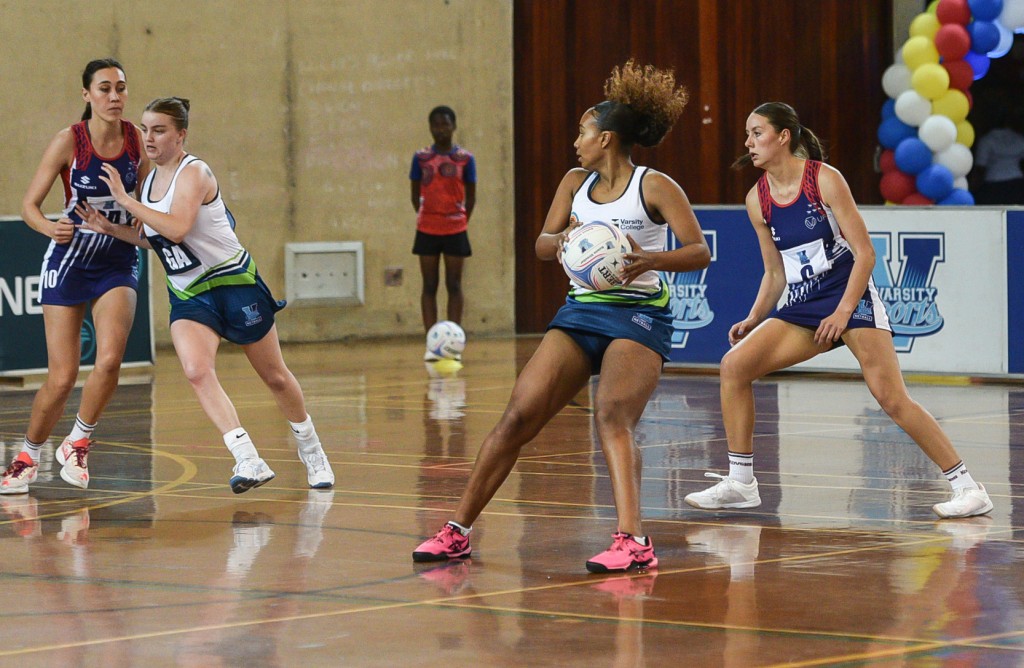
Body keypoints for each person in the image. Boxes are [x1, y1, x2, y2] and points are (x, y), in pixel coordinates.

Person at [413, 61, 710, 572]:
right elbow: (542, 247)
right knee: (517, 416)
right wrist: (563, 238)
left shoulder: (655, 187)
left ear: (608, 139)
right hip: (581, 312)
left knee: (612, 414)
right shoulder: (574, 182)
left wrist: (651, 259)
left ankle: (633, 543)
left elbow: (699, 251)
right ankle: (456, 531)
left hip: (639, 316)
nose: (577, 141)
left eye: (583, 132)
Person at [684, 102, 993, 520]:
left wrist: (844, 312)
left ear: (783, 136)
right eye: (747, 134)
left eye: (757, 133)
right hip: (803, 304)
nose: (748, 143)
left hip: (850, 293)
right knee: (734, 366)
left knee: (890, 397)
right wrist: (754, 317)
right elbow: (774, 273)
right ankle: (741, 482)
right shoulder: (757, 199)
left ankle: (969, 488)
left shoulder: (824, 180)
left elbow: (865, 254)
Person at [77, 97, 334, 493]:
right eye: (145, 129)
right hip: (190, 294)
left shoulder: (195, 172)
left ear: (181, 135)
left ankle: (311, 449)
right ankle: (247, 458)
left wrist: (125, 201)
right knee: (196, 371)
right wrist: (110, 227)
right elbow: (155, 240)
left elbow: (177, 227)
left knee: (276, 377)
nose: (149, 137)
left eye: (159, 130)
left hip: (233, 283)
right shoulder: (147, 184)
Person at [0, 58, 150, 495]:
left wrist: (146, 220)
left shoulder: (136, 142)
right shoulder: (70, 140)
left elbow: (147, 199)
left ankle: (79, 441)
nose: (115, 96)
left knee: (109, 361)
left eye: (121, 87)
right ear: (87, 95)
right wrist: (50, 226)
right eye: (104, 88)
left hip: (118, 262)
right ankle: (27, 456)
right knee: (62, 376)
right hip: (69, 262)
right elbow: (30, 205)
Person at [410, 105, 475, 354]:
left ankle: (453, 341)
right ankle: (432, 341)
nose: (441, 129)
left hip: (455, 228)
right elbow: (415, 194)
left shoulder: (466, 159)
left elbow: (472, 196)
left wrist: (459, 218)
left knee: (454, 285)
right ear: (430, 127)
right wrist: (428, 215)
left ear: (454, 126)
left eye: (445, 124)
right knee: (429, 285)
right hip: (427, 228)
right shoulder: (421, 158)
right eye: (436, 124)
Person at [970, 107, 1024, 206]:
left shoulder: (987, 140)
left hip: (993, 184)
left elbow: (980, 168)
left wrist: (972, 188)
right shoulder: (1020, 139)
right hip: (1017, 183)